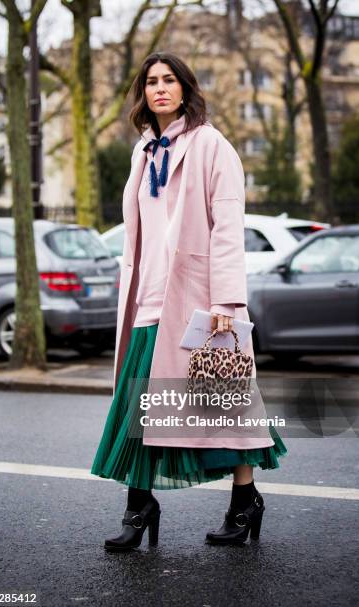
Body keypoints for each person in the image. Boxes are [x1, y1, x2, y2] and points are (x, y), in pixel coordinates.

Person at [91, 51, 287, 551]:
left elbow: (227, 230)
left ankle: (245, 502)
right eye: (151, 81)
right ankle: (139, 507)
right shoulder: (142, 152)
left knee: (223, 408)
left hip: (200, 304)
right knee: (139, 409)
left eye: (169, 80)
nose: (159, 88)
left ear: (185, 89)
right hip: (147, 302)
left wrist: (225, 299)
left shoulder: (212, 146)